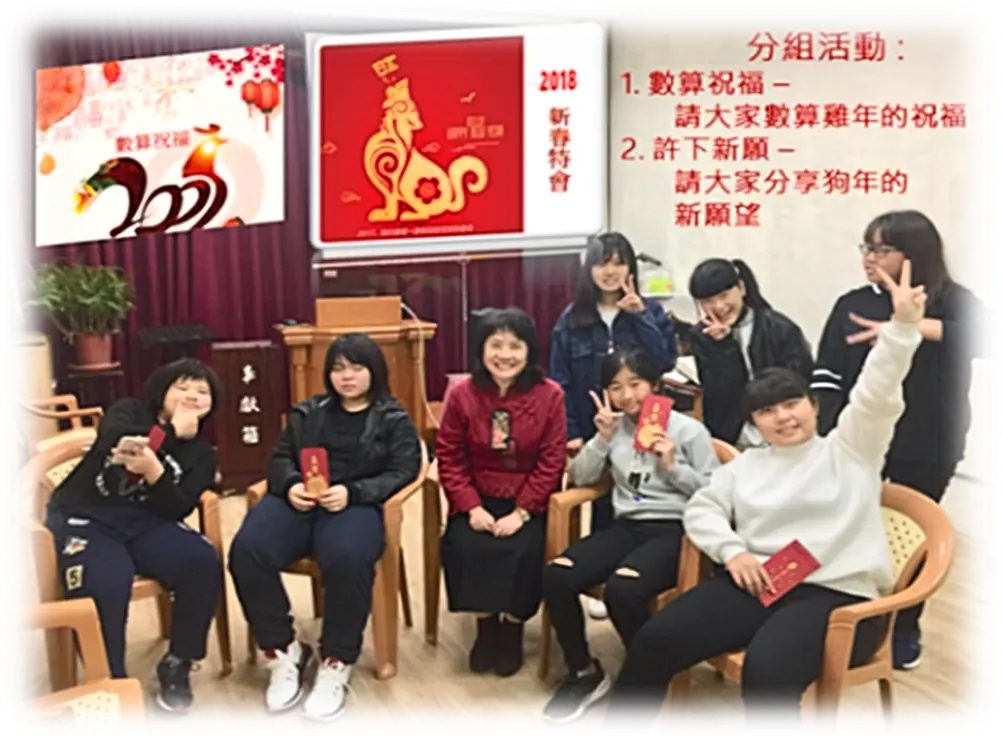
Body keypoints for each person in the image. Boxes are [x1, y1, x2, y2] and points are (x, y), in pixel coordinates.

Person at [598, 260, 927, 734]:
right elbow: (703, 508)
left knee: (767, 671)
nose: (783, 417)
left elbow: (877, 395)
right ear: (754, 421)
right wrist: (733, 552)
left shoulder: (851, 450)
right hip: (762, 582)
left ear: (813, 405)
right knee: (655, 638)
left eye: (792, 404)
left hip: (837, 598)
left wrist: (902, 328)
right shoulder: (748, 464)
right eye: (767, 411)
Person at [810, 210, 995, 669]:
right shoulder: (852, 303)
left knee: (913, 539)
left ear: (913, 255)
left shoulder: (950, 300)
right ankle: (849, 617)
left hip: (929, 442)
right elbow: (828, 373)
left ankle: (905, 625)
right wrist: (827, 432)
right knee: (851, 526)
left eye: (881, 249)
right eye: (866, 248)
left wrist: (913, 326)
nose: (869, 258)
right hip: (861, 442)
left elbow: (992, 337)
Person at [228, 333, 422, 722]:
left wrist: (355, 492)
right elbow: (280, 458)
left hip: (354, 504)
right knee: (247, 550)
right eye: (338, 369)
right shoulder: (308, 412)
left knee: (347, 557)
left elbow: (404, 470)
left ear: (375, 371)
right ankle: (282, 650)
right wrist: (290, 484)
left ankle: (336, 660)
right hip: (300, 500)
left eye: (356, 368)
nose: (346, 377)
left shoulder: (393, 418)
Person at [540, 348, 719, 726]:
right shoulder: (615, 427)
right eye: (616, 387)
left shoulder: (689, 430)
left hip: (675, 531)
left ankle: (645, 677)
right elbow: (582, 477)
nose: (627, 395)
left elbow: (715, 493)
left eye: (636, 384)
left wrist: (673, 466)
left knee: (624, 589)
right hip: (626, 527)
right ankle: (584, 672)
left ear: (654, 384)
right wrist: (601, 439)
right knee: (557, 574)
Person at [44, 358, 223, 714]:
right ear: (162, 391)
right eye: (183, 387)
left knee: (201, 561)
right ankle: (108, 680)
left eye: (203, 391)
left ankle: (178, 662)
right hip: (86, 516)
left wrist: (157, 475)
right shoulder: (129, 411)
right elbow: (111, 441)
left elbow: (177, 508)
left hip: (146, 523)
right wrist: (169, 432)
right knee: (105, 581)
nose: (193, 396)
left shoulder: (203, 453)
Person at [550, 232, 676, 619]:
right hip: (595, 421)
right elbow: (561, 381)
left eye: (619, 262)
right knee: (600, 496)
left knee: (641, 488)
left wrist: (640, 316)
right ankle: (599, 571)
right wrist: (572, 432)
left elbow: (664, 363)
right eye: (602, 263)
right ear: (588, 269)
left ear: (631, 268)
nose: (610, 271)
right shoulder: (571, 320)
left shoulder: (650, 311)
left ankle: (641, 569)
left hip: (646, 418)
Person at [437, 307, 567, 677]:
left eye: (515, 345)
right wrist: (471, 507)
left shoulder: (550, 395)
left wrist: (522, 511)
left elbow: (553, 459)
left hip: (529, 499)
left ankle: (511, 627)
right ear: (481, 350)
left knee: (524, 549)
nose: (505, 355)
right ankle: (485, 625)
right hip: (477, 496)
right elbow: (449, 455)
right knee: (463, 545)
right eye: (495, 345)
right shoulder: (462, 395)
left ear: (529, 351)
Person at [687, 257, 814, 449]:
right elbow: (720, 394)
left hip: (781, 426)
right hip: (734, 434)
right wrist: (723, 346)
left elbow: (798, 385)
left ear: (742, 289)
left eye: (724, 295)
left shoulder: (779, 328)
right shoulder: (701, 336)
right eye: (708, 301)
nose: (719, 306)